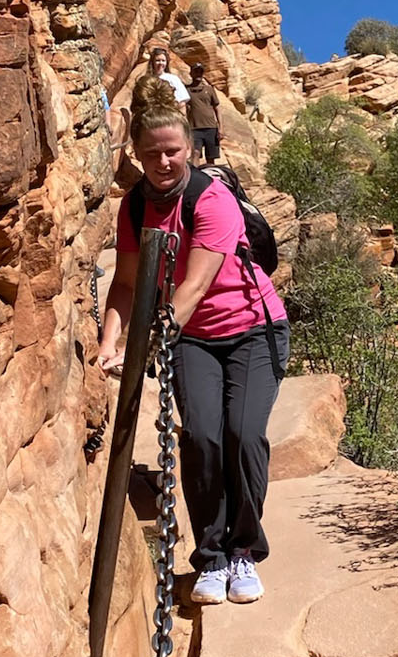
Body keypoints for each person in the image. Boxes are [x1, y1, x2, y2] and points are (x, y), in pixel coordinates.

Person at [98, 80, 289, 607]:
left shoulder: (212, 196)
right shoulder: (135, 208)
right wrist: (109, 342)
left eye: (173, 151)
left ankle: (244, 550)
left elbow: (196, 284)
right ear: (135, 155)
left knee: (242, 434)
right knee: (202, 438)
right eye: (151, 153)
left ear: (189, 148)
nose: (163, 161)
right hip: (194, 340)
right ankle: (211, 557)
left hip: (252, 327)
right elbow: (126, 282)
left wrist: (147, 342)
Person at [186, 61, 222, 165]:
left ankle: (210, 177)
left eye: (200, 72)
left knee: (211, 157)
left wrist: (220, 128)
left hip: (211, 127)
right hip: (194, 128)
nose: (198, 74)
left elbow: (217, 108)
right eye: (196, 71)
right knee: (195, 153)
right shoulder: (186, 90)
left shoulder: (209, 89)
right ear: (191, 73)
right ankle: (195, 177)